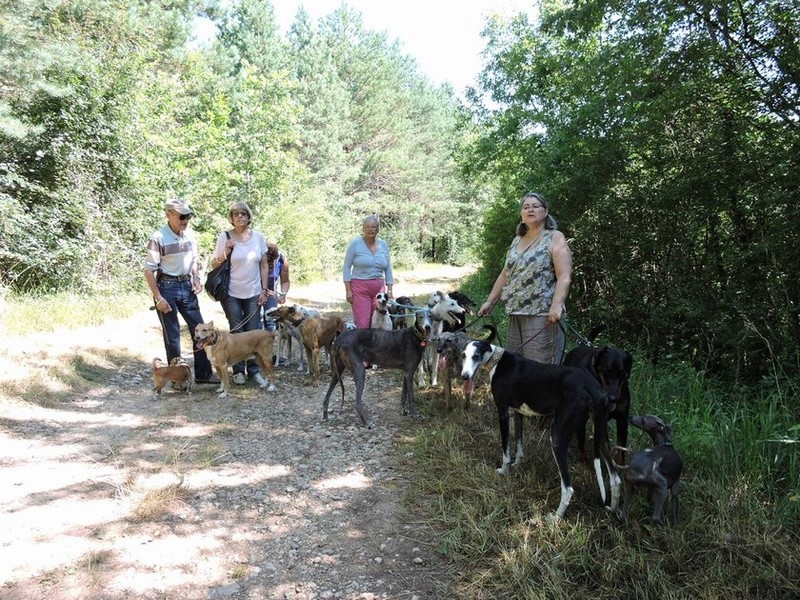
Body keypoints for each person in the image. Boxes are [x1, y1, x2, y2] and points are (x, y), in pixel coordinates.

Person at [477, 192, 572, 364]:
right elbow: (506, 273)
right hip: (516, 312)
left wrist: (557, 305)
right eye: (526, 207)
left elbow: (564, 275)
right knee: (517, 367)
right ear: (521, 213)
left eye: (535, 206)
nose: (530, 210)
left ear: (545, 211)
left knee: (540, 369)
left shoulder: (555, 237)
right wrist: (490, 302)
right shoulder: (517, 240)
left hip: (543, 315)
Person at [144, 198, 219, 384]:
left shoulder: (190, 235)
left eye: (188, 216)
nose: (185, 220)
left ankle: (203, 374)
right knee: (173, 334)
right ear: (168, 214)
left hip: (187, 286)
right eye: (181, 216)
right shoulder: (158, 238)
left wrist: (196, 278)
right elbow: (148, 270)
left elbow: (194, 260)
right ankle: (177, 379)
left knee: (200, 329)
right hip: (166, 288)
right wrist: (158, 298)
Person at [209, 201, 271, 386]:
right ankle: (237, 371)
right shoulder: (225, 237)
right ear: (231, 218)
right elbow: (214, 264)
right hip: (231, 293)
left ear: (249, 216)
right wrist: (226, 252)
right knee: (236, 332)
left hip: (253, 291)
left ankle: (253, 370)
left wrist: (264, 289)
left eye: (243, 213)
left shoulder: (258, 237)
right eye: (236, 214)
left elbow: (264, 265)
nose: (240, 216)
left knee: (253, 333)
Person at [343, 215, 394, 329]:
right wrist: (348, 290)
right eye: (367, 227)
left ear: (378, 229)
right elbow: (346, 267)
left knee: (379, 322)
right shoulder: (355, 244)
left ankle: (377, 346)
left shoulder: (383, 245)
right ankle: (363, 346)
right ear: (363, 229)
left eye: (373, 227)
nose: (370, 230)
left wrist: (389, 289)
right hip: (360, 288)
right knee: (364, 324)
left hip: (379, 289)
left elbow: (388, 268)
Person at [262, 242, 291, 332]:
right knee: (256, 321)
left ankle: (269, 342)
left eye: (272, 262)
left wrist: (283, 294)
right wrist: (262, 290)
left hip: (272, 292)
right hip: (255, 290)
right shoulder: (257, 258)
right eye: (267, 262)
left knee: (271, 319)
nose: (269, 265)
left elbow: (285, 281)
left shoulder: (282, 260)